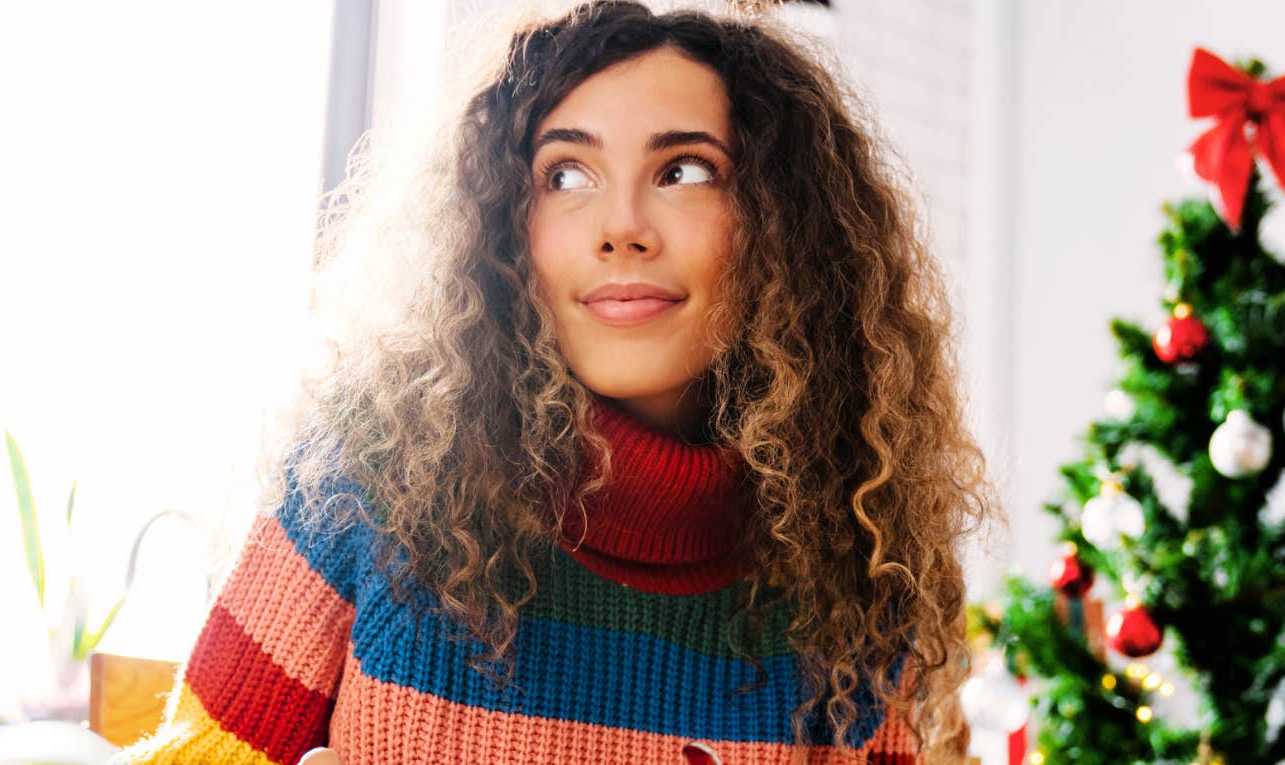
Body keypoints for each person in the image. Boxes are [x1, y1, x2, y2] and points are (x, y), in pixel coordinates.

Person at [110, 0, 1000, 763]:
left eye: (685, 171)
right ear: (504, 227)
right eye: (566, 174)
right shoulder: (367, 482)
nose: (620, 228)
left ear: (784, 230)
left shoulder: (854, 569)